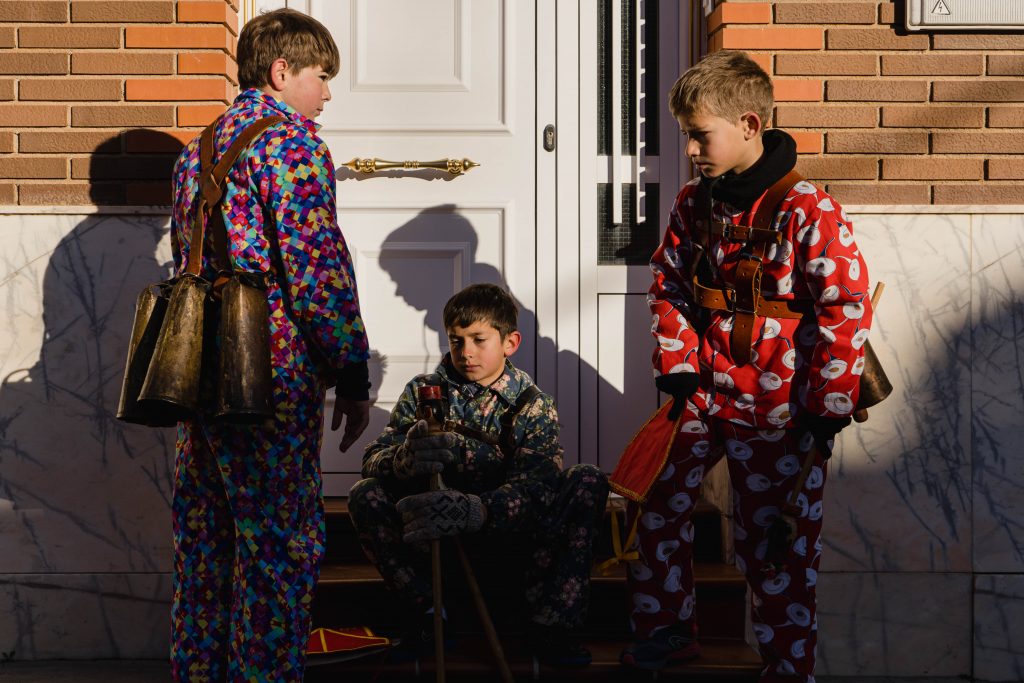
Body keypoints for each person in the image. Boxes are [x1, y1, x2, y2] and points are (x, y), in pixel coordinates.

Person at [621, 50, 872, 682]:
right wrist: (676, 365)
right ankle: (669, 630)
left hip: (782, 407)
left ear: (750, 125)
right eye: (687, 136)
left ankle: (787, 668)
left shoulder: (809, 210)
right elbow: (669, 286)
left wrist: (828, 406)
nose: (692, 149)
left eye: (700, 135)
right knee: (652, 500)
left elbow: (845, 310)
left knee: (776, 542)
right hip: (703, 392)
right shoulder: (693, 204)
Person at [168, 9, 370, 682]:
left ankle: (199, 671)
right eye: (320, 77)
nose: (327, 94)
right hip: (269, 366)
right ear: (282, 72)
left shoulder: (196, 150)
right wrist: (349, 366)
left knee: (208, 535)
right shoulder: (291, 144)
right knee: (280, 541)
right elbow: (314, 269)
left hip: (199, 363)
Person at [348, 283, 609, 667]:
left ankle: (553, 627)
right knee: (364, 492)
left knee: (587, 479)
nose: (465, 351)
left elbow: (537, 490)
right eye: (456, 340)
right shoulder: (424, 392)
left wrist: (475, 509)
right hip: (436, 551)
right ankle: (428, 615)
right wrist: (404, 460)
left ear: (510, 342)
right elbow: (372, 460)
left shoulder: (532, 406)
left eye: (478, 339)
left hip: (513, 549)